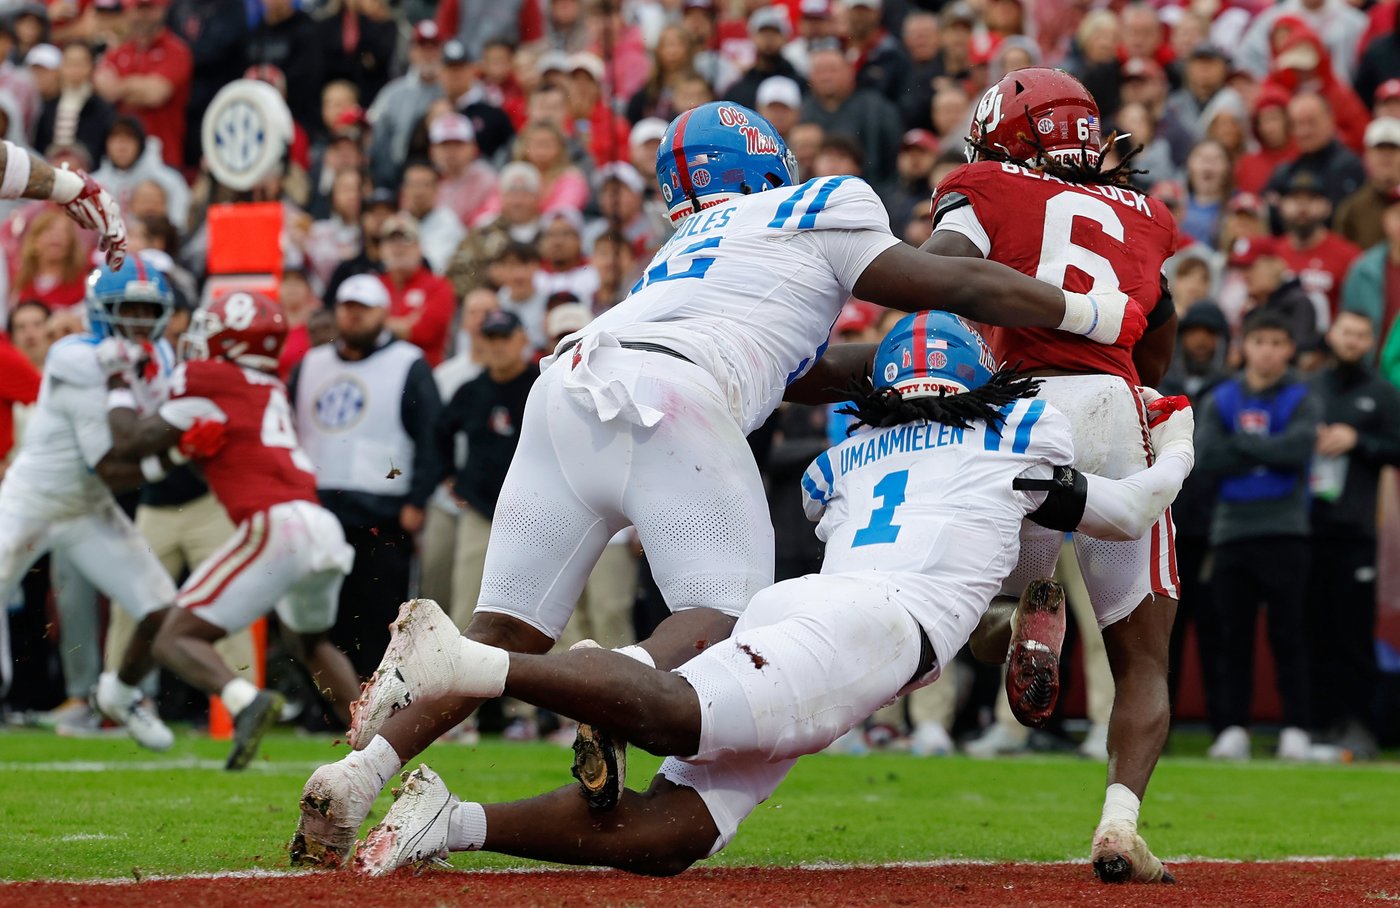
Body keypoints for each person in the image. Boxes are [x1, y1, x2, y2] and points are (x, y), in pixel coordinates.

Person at [289, 100, 1146, 870]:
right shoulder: (824, 203)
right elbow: (943, 285)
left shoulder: (688, 249)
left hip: (569, 383)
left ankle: (359, 771)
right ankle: (612, 691)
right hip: (670, 398)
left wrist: (927, 377)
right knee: (725, 619)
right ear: (770, 162)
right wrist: (1087, 315)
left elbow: (815, 372)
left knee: (503, 625)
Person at [350, 311, 1196, 880]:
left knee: (675, 834)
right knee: (676, 714)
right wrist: (1177, 442)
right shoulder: (1016, 436)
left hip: (821, 611)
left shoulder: (847, 459)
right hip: (869, 633)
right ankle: (470, 660)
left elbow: (927, 524)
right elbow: (1128, 512)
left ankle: (450, 822)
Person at [923, 69, 1181, 882]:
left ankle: (1026, 604)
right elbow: (1162, 326)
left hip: (1022, 407)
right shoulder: (1144, 211)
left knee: (975, 602)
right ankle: (1118, 822)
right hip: (1115, 402)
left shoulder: (986, 185)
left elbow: (938, 272)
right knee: (1142, 657)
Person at [101, 291, 360, 769]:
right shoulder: (267, 385)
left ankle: (243, 699)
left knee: (174, 638)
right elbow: (230, 460)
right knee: (313, 644)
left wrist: (118, 381)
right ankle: (377, 750)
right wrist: (186, 453)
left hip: (275, 524)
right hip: (320, 525)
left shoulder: (206, 377)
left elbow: (129, 442)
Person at [0, 260, 177, 750]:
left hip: (88, 507)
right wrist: (174, 453)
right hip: (31, 499)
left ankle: (123, 696)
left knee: (160, 605)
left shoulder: (160, 354)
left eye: (149, 309)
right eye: (130, 308)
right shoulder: (74, 354)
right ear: (103, 310)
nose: (140, 320)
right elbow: (114, 454)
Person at [288, 274, 443, 678]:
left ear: (383, 313)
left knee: (378, 614)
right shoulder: (311, 364)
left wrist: (417, 498)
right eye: (347, 309)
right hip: (320, 508)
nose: (353, 318)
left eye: (363, 310)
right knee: (323, 613)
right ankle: (324, 707)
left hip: (383, 510)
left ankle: (375, 701)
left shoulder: (408, 362)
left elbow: (431, 436)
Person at [1194, 308, 1322, 761]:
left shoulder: (1302, 398)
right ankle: (1231, 728)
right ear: (1243, 346)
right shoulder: (1221, 399)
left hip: (1286, 531)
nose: (1267, 351)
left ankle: (1296, 730)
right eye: (1259, 341)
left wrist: (1243, 449)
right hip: (1232, 533)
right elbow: (1207, 458)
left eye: (1276, 343)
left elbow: (1300, 448)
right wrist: (1268, 454)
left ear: (1290, 350)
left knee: (1290, 634)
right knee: (1233, 636)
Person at [1305, 311, 1400, 759]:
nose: (1354, 340)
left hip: (1358, 529)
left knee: (1354, 633)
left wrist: (1357, 439)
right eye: (1347, 332)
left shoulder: (1382, 394)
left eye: (1363, 334)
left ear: (1370, 342)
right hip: (1305, 526)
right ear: (1332, 335)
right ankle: (1317, 725)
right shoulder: (1308, 388)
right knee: (1313, 628)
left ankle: (1360, 726)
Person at [436, 308, 538, 632]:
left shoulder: (540, 386)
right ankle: (460, 678)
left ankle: (553, 681)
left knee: (542, 606)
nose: (497, 346)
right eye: (490, 338)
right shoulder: (471, 390)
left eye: (504, 337)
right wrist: (449, 475)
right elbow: (439, 431)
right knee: (467, 600)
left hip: (535, 511)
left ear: (522, 339)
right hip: (481, 509)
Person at [91, 0, 191, 170]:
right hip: (120, 157)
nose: (142, 16)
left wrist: (120, 87)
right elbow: (104, 89)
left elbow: (155, 94)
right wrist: (138, 86)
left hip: (163, 157)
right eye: (137, 9)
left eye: (149, 9)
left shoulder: (176, 50)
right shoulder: (120, 51)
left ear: (161, 10)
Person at [0, 136, 125, 267]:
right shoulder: (28, 214)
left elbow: (116, 248)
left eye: (72, 173)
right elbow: (8, 247)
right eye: (59, 171)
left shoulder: (100, 209)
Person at [377, 213, 456, 367]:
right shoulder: (374, 284)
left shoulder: (439, 286)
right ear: (381, 248)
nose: (398, 247)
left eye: (406, 239)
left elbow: (425, 332)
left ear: (420, 247)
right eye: (391, 240)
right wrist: (404, 324)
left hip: (423, 374)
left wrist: (380, 323)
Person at [1335, 118, 1400, 250]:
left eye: (1393, 149)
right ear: (1367, 155)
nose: (1386, 155)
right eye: (1379, 149)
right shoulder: (1351, 209)